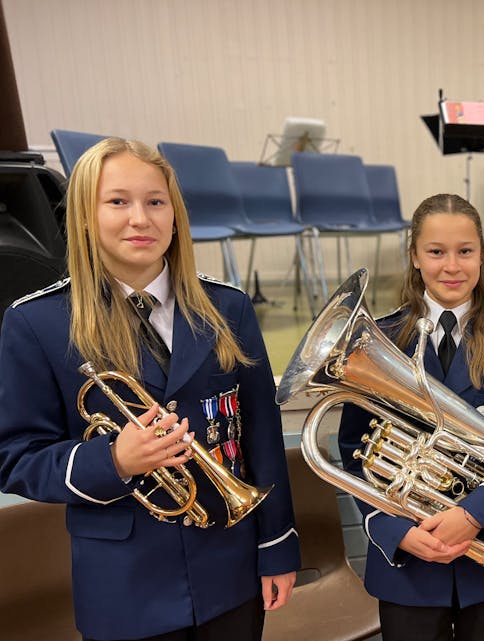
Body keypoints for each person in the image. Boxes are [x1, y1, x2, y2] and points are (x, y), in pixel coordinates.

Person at [0, 138, 299, 641]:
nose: (140, 218)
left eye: (155, 202)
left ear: (176, 217)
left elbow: (262, 440)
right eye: (117, 201)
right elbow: (14, 457)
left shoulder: (228, 308)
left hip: (229, 567)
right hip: (124, 584)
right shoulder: (37, 322)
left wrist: (277, 545)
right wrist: (113, 460)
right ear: (86, 217)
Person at [336, 193, 484, 641]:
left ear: (482, 256)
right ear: (415, 257)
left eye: (465, 252)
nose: (452, 266)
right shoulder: (376, 341)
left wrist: (476, 515)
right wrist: (394, 530)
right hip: (409, 563)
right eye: (436, 252)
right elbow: (354, 450)